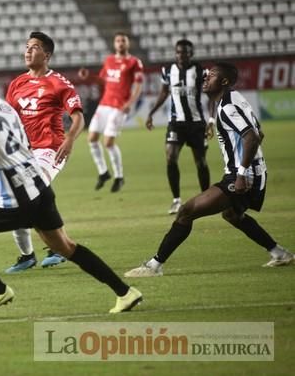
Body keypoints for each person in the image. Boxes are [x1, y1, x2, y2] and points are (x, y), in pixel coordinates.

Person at [0, 55, 142, 317]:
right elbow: (18, 152)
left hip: (14, 200)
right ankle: (125, 292)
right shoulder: (5, 107)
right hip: (38, 187)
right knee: (65, 247)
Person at [125, 62, 293, 278]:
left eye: (211, 76)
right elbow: (259, 133)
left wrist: (241, 172)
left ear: (223, 81)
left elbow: (251, 138)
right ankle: (279, 253)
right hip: (252, 172)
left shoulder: (228, 107)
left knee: (186, 211)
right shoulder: (236, 98)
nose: (205, 78)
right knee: (232, 215)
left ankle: (154, 266)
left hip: (243, 176)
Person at [2, 31, 85, 273]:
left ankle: (57, 249)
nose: (28, 50)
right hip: (22, 152)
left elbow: (78, 116)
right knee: (18, 197)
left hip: (50, 150)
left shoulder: (59, 83)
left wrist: (69, 139)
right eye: (27, 46)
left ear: (46, 55)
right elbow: (10, 119)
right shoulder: (17, 83)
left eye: (34, 47)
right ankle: (29, 255)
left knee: (29, 193)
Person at [146, 39, 212, 214]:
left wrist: (212, 119)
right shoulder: (168, 71)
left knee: (200, 162)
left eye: (184, 52)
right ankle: (176, 200)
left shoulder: (200, 71)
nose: (181, 55)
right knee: (170, 157)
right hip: (176, 123)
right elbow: (164, 91)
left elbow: (211, 95)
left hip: (197, 124)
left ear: (191, 54)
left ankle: (206, 198)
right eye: (178, 52)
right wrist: (151, 112)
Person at [80, 32, 144, 192]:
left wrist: (130, 103)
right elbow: (102, 80)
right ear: (114, 44)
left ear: (127, 43)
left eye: (123, 40)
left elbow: (138, 85)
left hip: (119, 107)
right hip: (104, 104)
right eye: (118, 40)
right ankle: (103, 173)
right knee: (92, 138)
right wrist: (88, 76)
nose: (120, 43)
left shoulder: (134, 62)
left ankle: (119, 176)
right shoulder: (109, 60)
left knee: (108, 142)